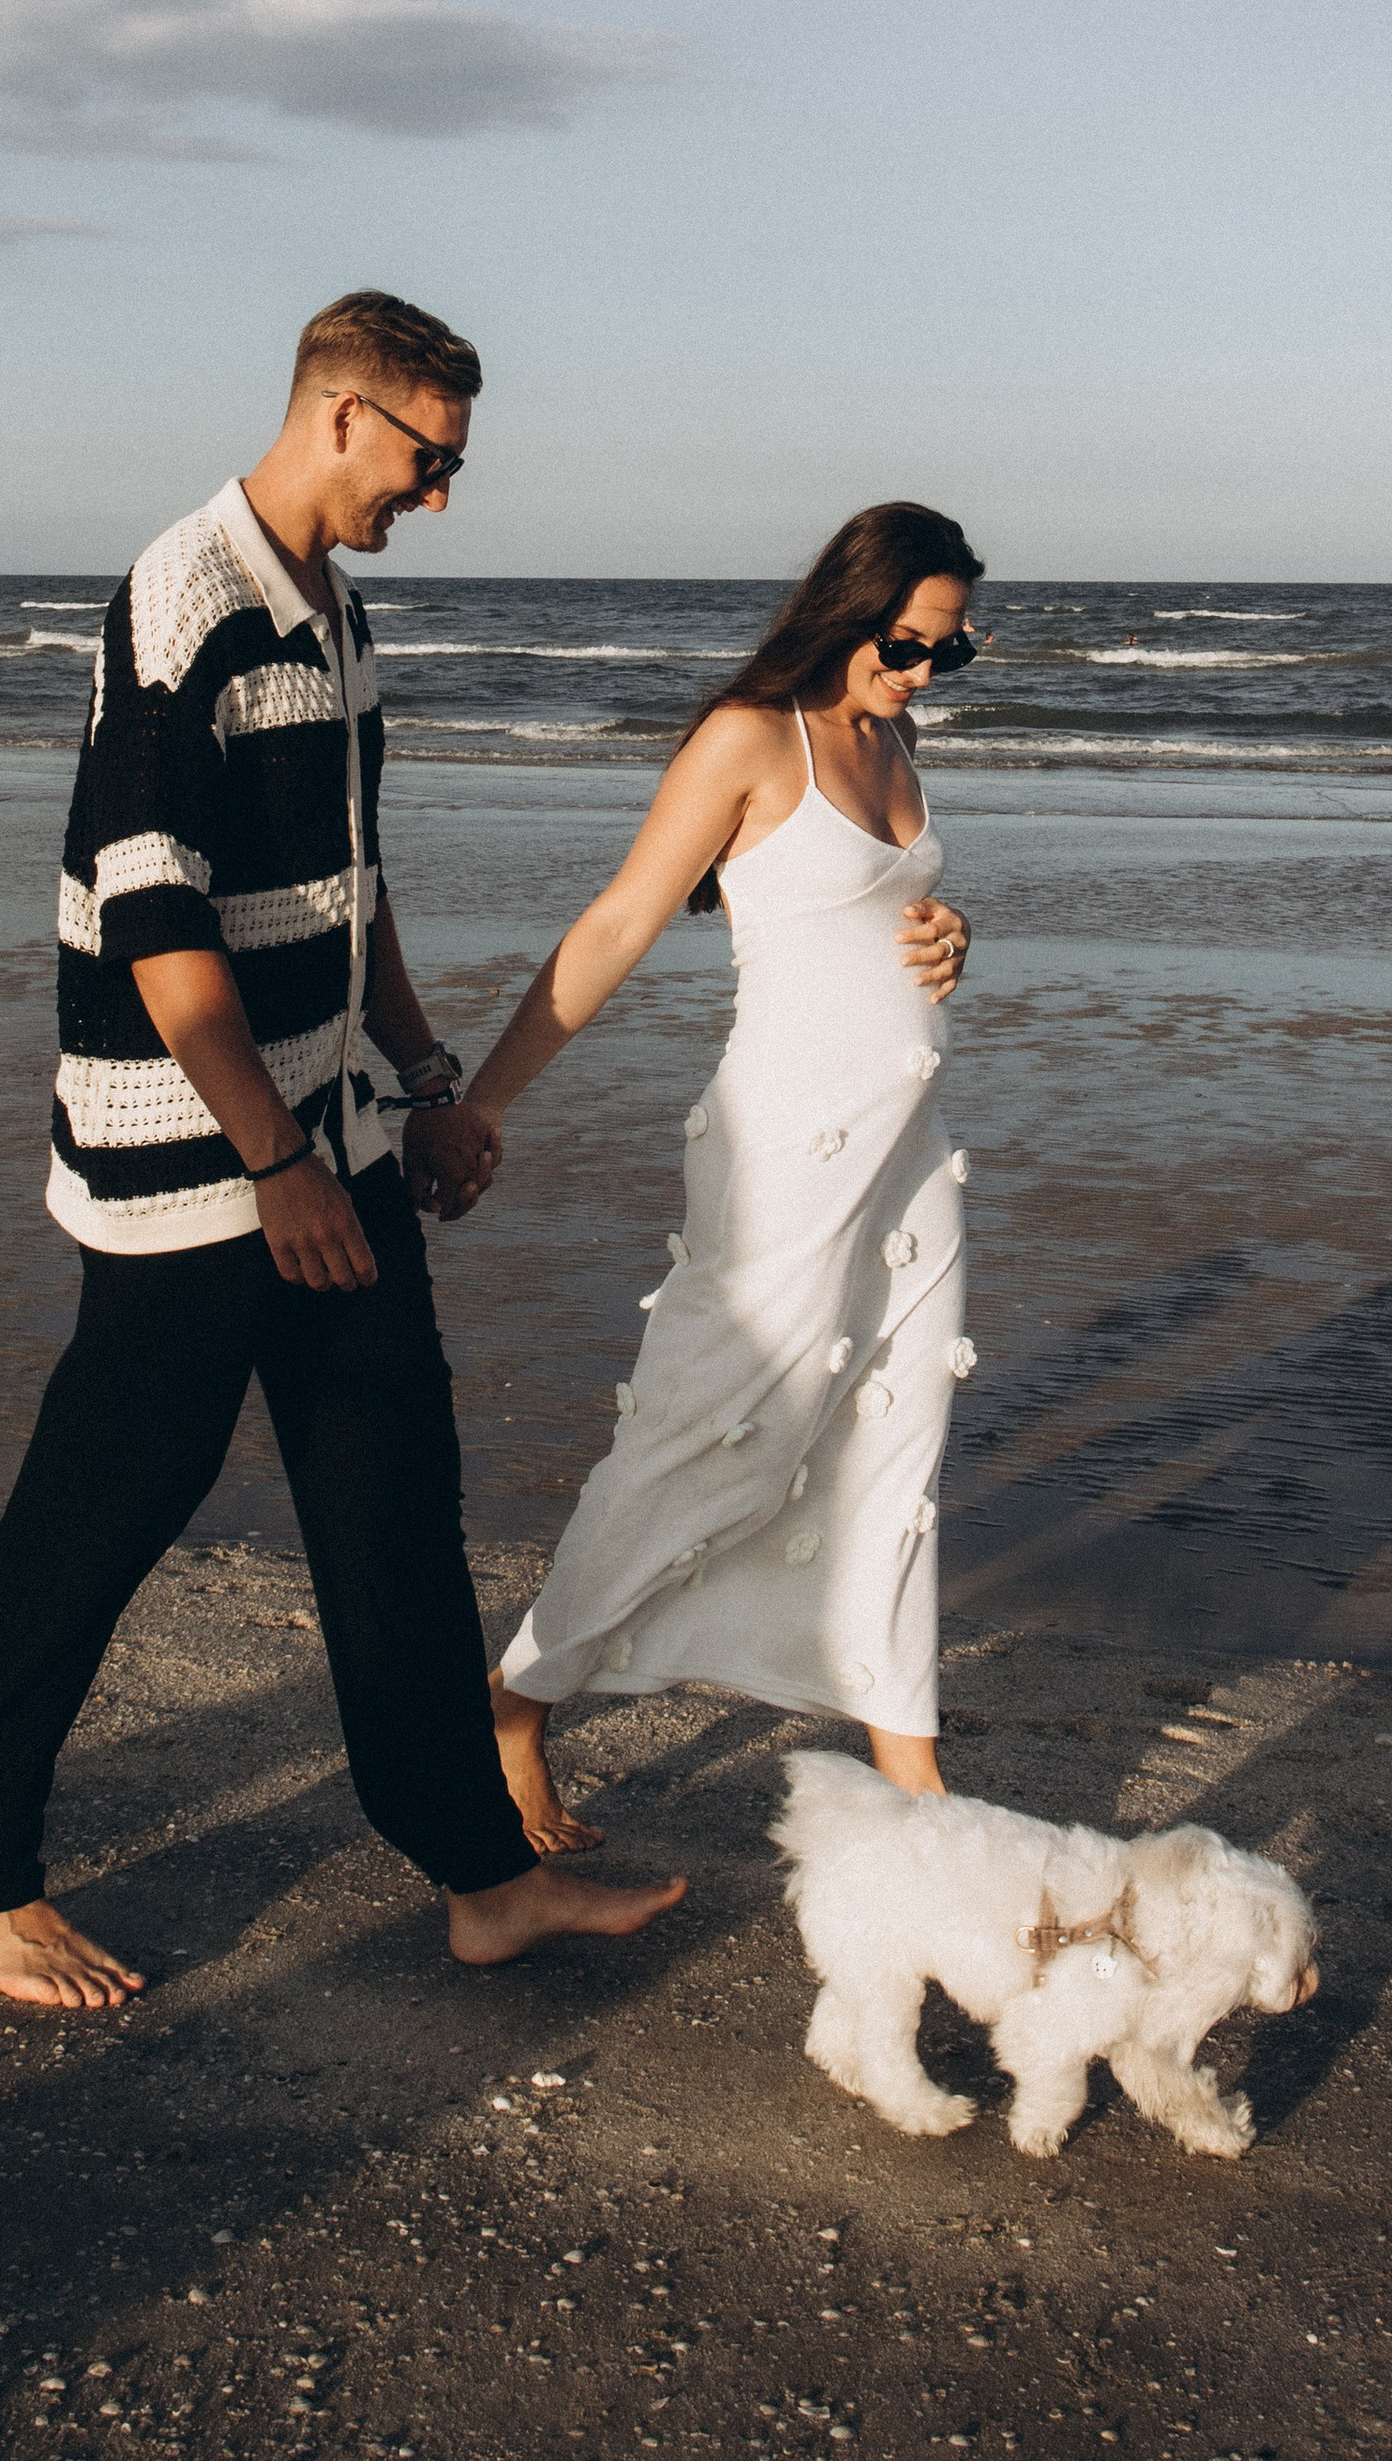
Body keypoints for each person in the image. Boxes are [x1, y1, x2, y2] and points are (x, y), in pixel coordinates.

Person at [0, 290, 685, 2005]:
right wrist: (273, 1161)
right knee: (104, 1511)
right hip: (197, 1157)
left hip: (325, 1134)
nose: (440, 496)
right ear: (341, 414)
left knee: (395, 1497)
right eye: (429, 458)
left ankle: (480, 1873)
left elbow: (352, 879)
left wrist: (421, 1072)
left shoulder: (333, 618)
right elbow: (149, 914)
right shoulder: (181, 600)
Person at [461, 504, 983, 1858]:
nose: (924, 671)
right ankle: (514, 1705)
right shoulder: (752, 740)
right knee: (706, 1437)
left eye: (950, 653)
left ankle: (915, 1782)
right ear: (848, 606)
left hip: (910, 1154)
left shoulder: (896, 735)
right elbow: (624, 918)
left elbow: (872, 911)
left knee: (895, 1441)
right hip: (787, 1152)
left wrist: (945, 935)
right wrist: (487, 1102)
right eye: (907, 642)